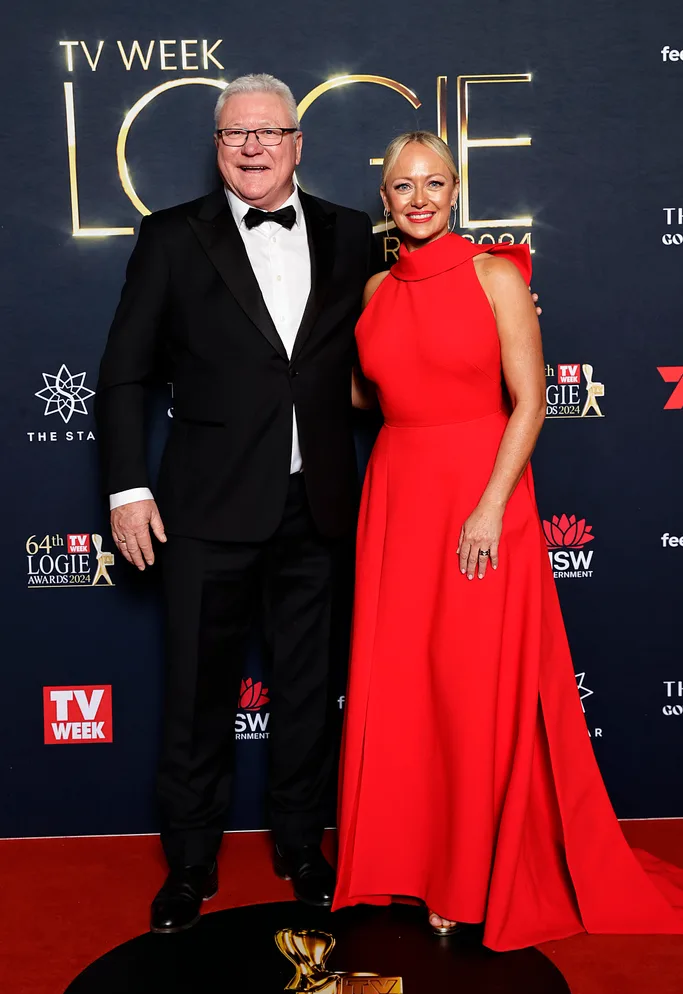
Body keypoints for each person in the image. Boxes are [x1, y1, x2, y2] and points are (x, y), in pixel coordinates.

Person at [333, 130, 683, 949]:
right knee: (405, 685)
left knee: (467, 687)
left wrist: (490, 506)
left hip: (480, 493)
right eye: (400, 186)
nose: (417, 199)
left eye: (434, 183)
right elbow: (360, 390)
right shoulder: (375, 291)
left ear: (456, 190)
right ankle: (402, 863)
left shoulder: (496, 276)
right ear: (382, 200)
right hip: (397, 492)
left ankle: (466, 873)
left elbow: (528, 401)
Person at [96, 74, 375, 933]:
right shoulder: (173, 236)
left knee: (306, 690)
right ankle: (188, 861)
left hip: (318, 504)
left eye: (268, 133)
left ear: (299, 142)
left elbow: (397, 342)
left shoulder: (353, 233)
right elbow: (123, 372)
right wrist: (126, 485)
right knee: (193, 695)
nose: (251, 148)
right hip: (205, 508)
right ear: (216, 146)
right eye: (233, 135)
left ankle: (300, 845)